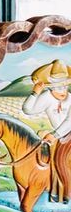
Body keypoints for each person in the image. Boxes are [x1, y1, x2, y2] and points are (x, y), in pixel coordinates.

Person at [22, 58, 71, 202]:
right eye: (57, 87)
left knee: (61, 160)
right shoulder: (47, 97)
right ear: (50, 88)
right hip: (61, 136)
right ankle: (59, 193)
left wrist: (54, 134)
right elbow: (28, 110)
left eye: (64, 87)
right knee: (55, 161)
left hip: (63, 134)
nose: (62, 91)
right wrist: (35, 93)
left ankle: (67, 193)